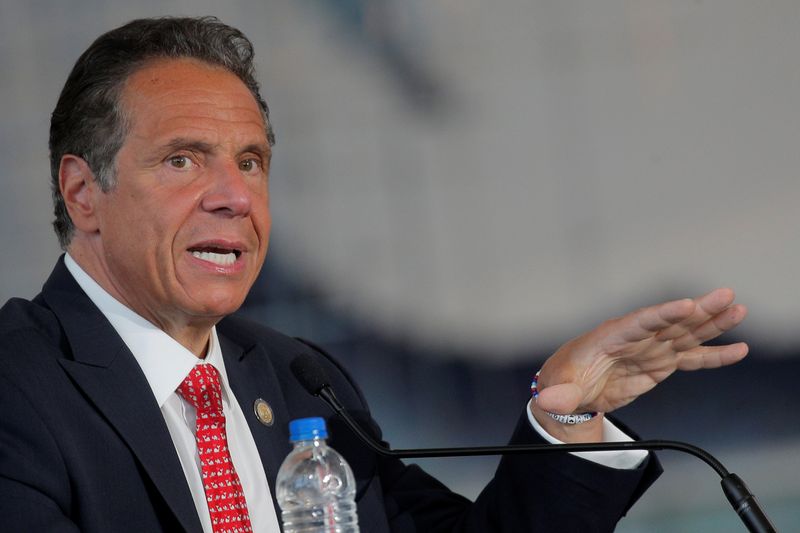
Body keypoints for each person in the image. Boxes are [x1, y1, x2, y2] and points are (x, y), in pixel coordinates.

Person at [0, 16, 748, 533]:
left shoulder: (296, 377)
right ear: (82, 192)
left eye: (251, 161)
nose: (233, 196)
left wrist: (566, 415)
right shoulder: (18, 384)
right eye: (183, 159)